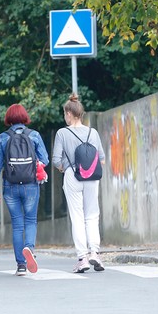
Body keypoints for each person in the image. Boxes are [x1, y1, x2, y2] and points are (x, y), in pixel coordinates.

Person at [0, 103, 49, 276]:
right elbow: (45, 159)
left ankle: (21, 265)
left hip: (10, 186)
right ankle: (29, 247)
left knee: (17, 225)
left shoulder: (3, 138)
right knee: (31, 220)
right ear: (24, 117)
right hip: (31, 185)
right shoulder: (34, 135)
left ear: (8, 118)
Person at [52, 94, 106, 273]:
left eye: (64, 114)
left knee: (77, 217)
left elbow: (56, 160)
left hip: (72, 176)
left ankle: (82, 258)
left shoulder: (62, 133)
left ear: (69, 113)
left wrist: (64, 168)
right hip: (91, 176)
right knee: (92, 215)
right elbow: (102, 159)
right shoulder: (93, 132)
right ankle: (95, 252)